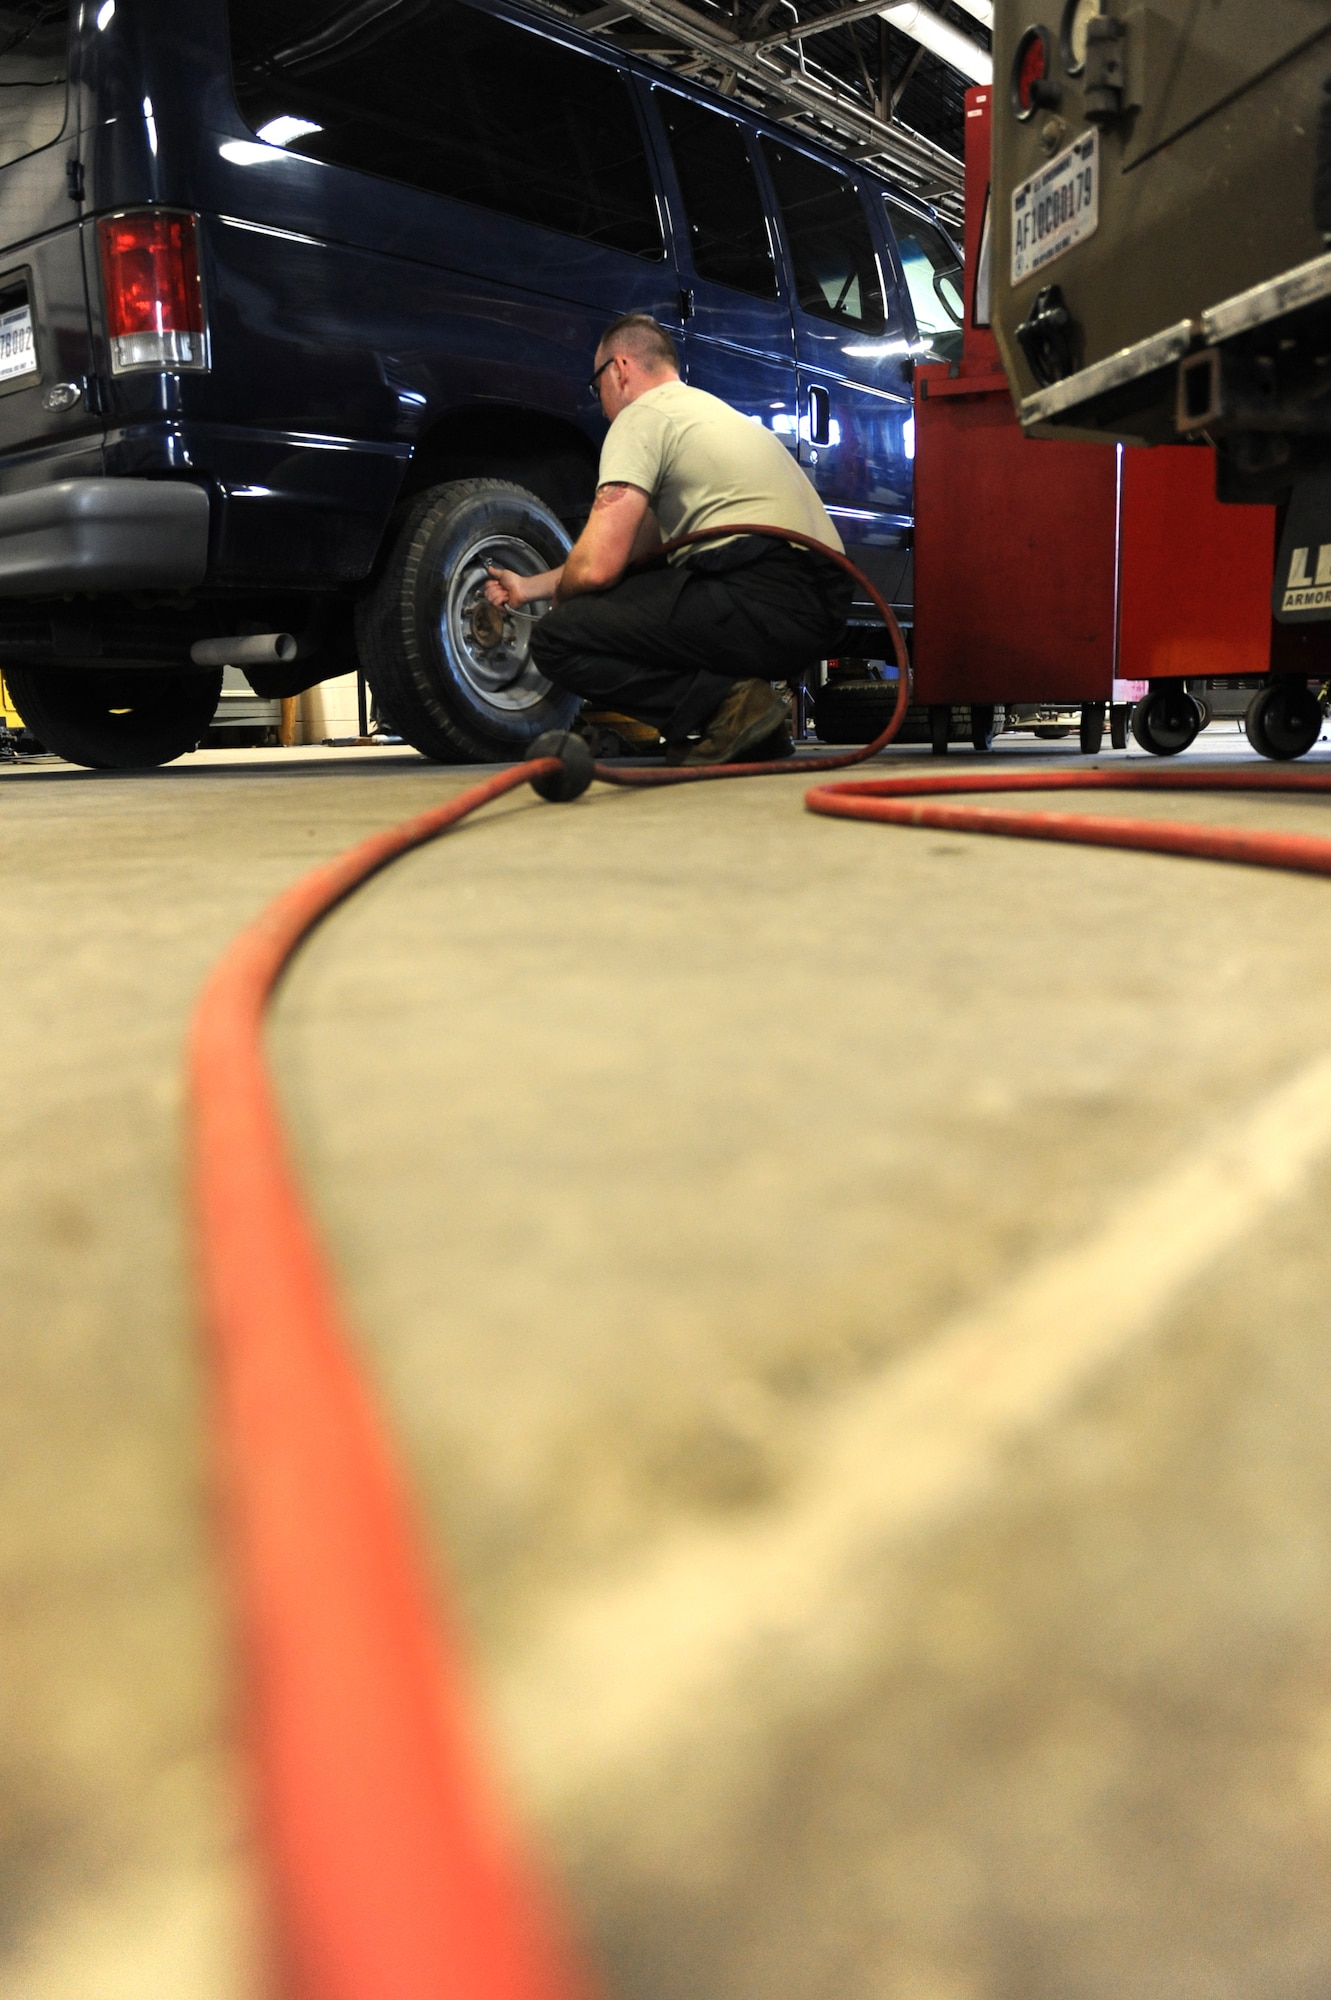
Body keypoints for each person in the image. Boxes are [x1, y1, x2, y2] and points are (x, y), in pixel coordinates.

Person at [483, 313, 853, 765]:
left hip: (761, 593)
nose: (600, 405)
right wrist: (531, 587)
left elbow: (597, 568)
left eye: (595, 386)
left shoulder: (640, 416)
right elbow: (634, 553)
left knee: (559, 638)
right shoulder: (704, 413)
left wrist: (568, 601)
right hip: (821, 609)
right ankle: (751, 728)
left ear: (619, 369)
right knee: (638, 583)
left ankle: (732, 708)